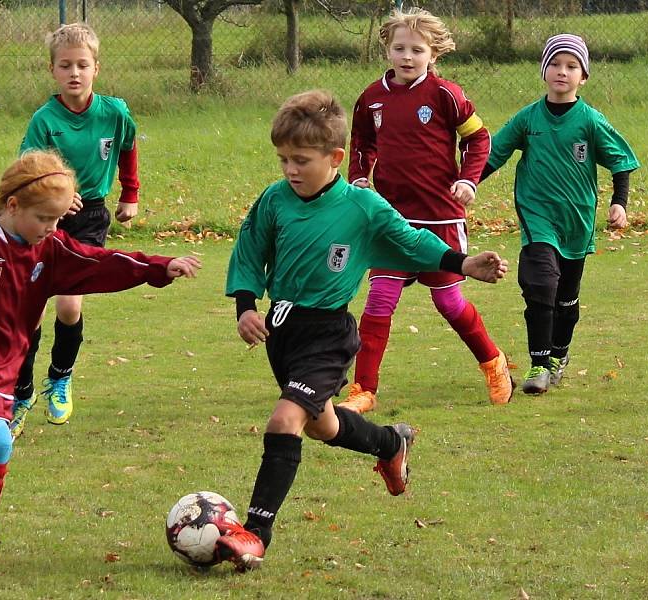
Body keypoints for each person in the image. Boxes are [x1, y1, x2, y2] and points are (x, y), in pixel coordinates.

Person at [217, 90, 508, 571]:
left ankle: (256, 534)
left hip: (329, 332)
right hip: (282, 329)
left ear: (334, 158)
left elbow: (412, 240)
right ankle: (391, 443)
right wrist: (246, 307)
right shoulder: (274, 199)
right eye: (283, 159)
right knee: (322, 425)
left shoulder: (362, 207)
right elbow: (249, 251)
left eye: (301, 160)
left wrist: (464, 262)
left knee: (284, 421)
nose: (290, 169)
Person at [0, 151, 201, 577]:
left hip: (6, 365)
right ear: (12, 206)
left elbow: (99, 262)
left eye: (56, 221)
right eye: (44, 219)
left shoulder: (47, 248)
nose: (52, 229)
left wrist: (160, 267)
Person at [339, 8, 513, 414]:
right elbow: (362, 142)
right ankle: (363, 390)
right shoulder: (371, 98)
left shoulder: (445, 94)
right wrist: (360, 177)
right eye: (399, 48)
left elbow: (479, 139)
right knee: (379, 300)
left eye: (416, 50)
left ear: (433, 54)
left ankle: (494, 361)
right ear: (387, 48)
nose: (406, 56)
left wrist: (469, 179)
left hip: (440, 218)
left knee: (449, 304)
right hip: (391, 219)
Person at [481, 34, 639, 394]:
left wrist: (620, 202)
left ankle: (559, 356)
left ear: (583, 76)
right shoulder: (528, 118)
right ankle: (539, 364)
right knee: (540, 283)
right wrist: (466, 184)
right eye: (554, 64)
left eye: (571, 66)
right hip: (537, 216)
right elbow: (494, 155)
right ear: (543, 71)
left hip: (577, 221)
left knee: (566, 299)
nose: (561, 72)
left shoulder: (591, 121)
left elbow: (620, 162)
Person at [11, 22, 142, 436]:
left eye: (82, 65)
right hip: (44, 220)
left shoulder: (115, 113)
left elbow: (128, 147)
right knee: (29, 311)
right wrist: (56, 194)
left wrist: (131, 193)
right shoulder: (44, 120)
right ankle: (20, 391)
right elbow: (28, 171)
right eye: (65, 65)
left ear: (96, 68)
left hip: (90, 217)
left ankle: (60, 378)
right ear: (53, 70)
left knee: (69, 305)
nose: (74, 73)